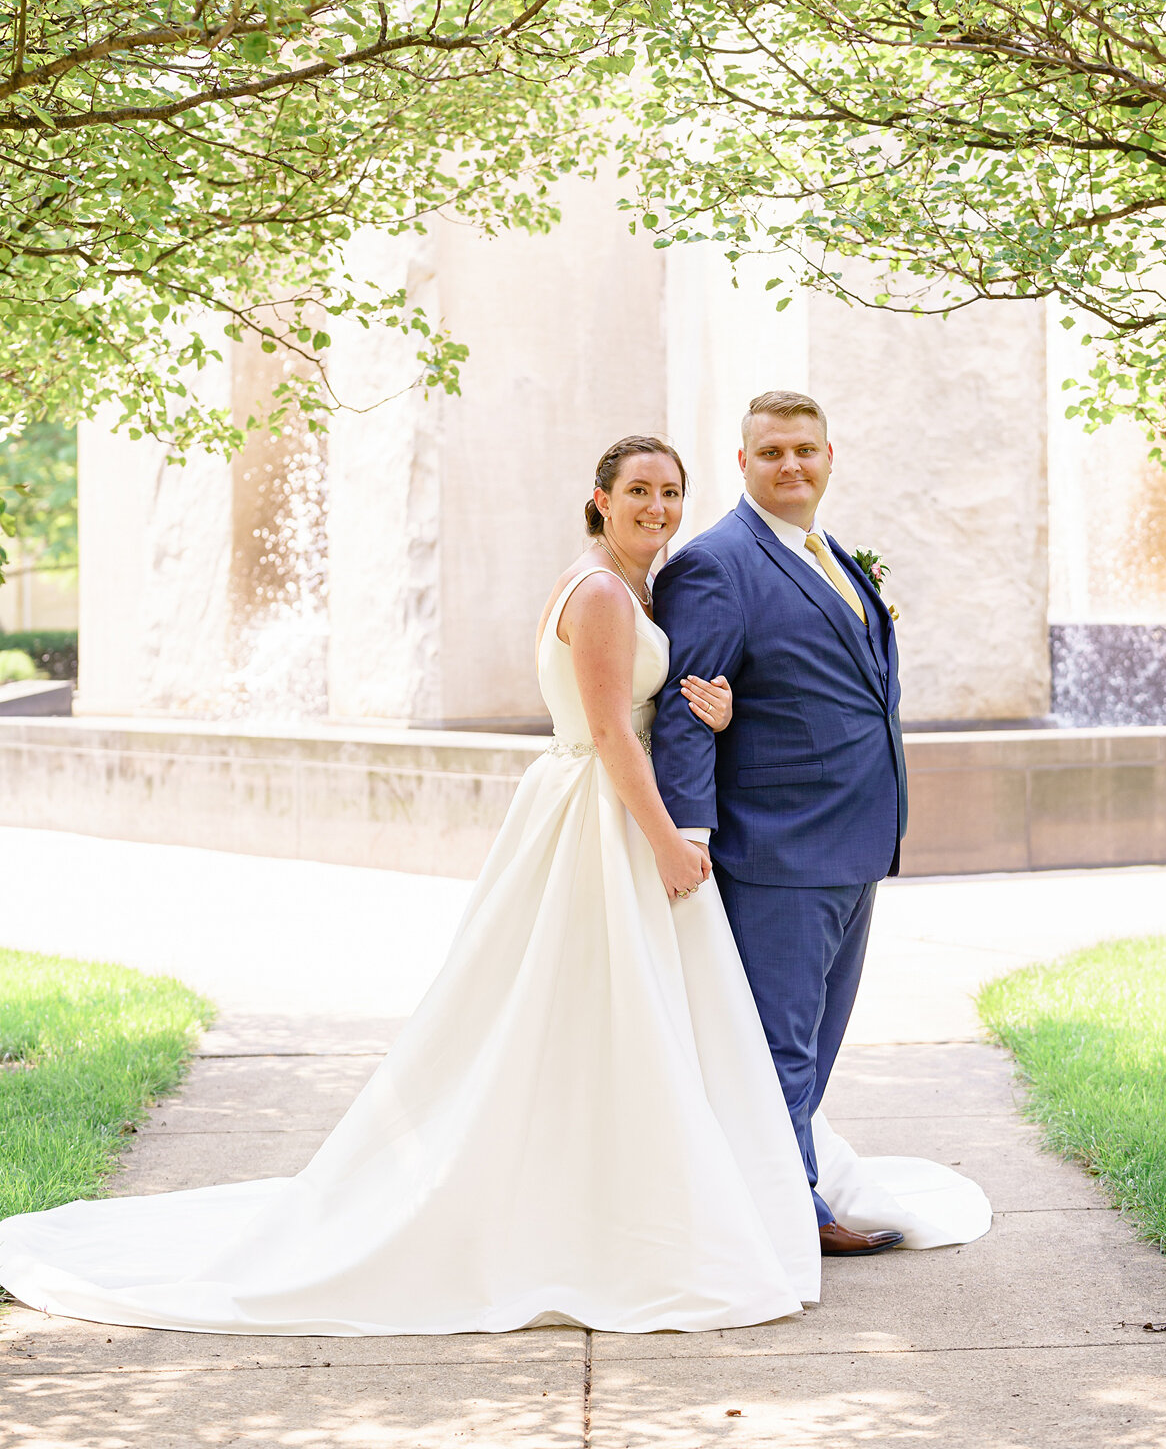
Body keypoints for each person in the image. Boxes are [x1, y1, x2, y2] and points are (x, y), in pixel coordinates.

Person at [0, 436, 823, 1335]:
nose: (657, 509)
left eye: (670, 493)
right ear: (599, 498)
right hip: (603, 813)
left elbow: (644, 710)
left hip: (597, 802)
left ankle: (602, 1191)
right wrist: (666, 841)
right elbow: (611, 733)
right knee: (592, 1005)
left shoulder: (625, 587)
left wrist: (717, 708)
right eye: (638, 492)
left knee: (601, 1014)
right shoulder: (597, 593)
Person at [652, 390, 929, 1254]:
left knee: (813, 1043)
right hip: (776, 847)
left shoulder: (831, 554)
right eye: (770, 452)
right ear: (742, 464)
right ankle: (786, 1218)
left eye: (804, 449)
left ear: (829, 455)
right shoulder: (716, 565)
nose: (790, 465)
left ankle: (785, 1188)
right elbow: (684, 712)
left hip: (853, 840)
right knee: (779, 1047)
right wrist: (690, 835)